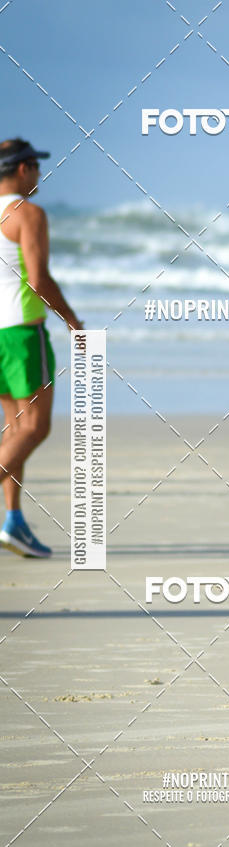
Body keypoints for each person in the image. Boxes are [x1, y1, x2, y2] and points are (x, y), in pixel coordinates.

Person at [0, 138, 83, 558]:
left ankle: (13, 521)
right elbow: (38, 280)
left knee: (15, 431)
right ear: (22, 169)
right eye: (36, 167)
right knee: (35, 428)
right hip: (20, 335)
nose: (39, 175)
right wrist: (73, 321)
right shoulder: (26, 213)